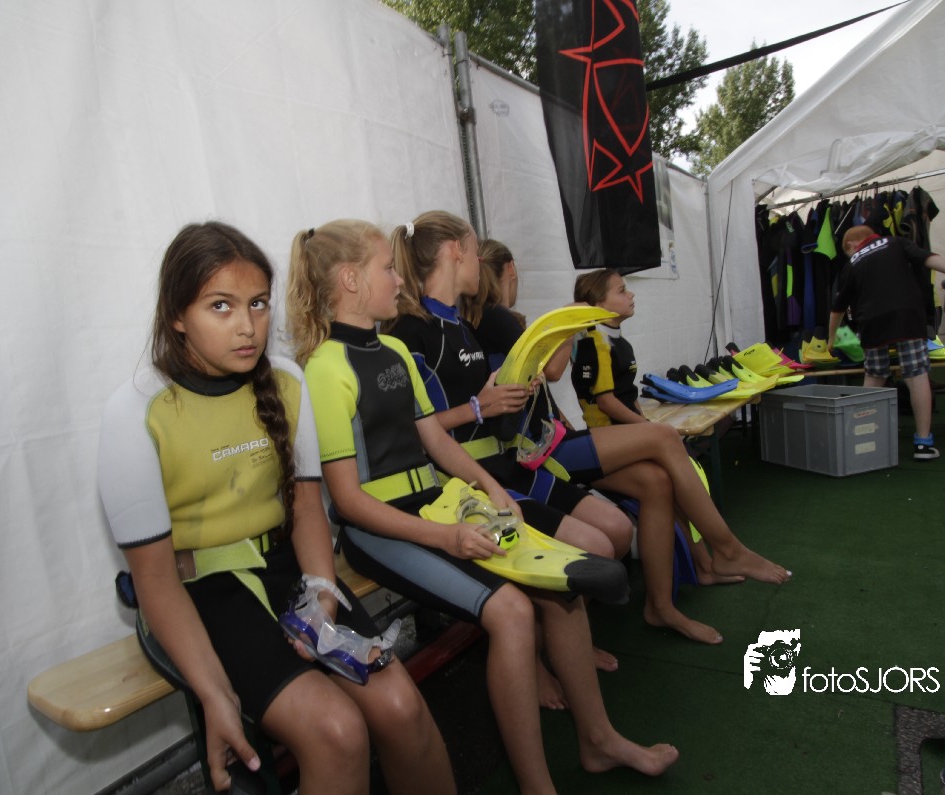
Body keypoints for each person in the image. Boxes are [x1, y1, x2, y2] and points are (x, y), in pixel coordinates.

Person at [287, 218, 679, 793]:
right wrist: (447, 536)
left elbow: (436, 441)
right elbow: (347, 500)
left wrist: (490, 489)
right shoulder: (324, 369)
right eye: (386, 269)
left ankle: (599, 740)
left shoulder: (393, 350)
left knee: (560, 579)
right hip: (379, 527)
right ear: (350, 280)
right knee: (512, 612)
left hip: (438, 501)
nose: (399, 279)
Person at [97, 222, 453, 795]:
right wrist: (215, 694)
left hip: (291, 571)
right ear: (177, 315)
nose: (247, 325)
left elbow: (307, 507)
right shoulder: (136, 412)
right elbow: (155, 579)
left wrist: (322, 594)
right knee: (337, 731)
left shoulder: (286, 380)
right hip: (201, 592)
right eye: (221, 306)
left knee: (401, 709)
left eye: (258, 303)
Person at [467, 246, 786, 646]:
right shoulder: (496, 318)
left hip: (546, 442)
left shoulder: (485, 321)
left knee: (656, 482)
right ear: (511, 269)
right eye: (621, 290)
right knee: (664, 437)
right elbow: (554, 372)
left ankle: (661, 606)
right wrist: (567, 321)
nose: (630, 295)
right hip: (541, 454)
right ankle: (726, 549)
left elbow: (534, 391)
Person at [828, 226, 945, 460]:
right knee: (916, 376)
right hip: (906, 315)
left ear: (851, 245)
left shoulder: (852, 263)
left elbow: (838, 308)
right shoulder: (895, 242)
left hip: (871, 322)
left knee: (874, 376)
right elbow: (928, 258)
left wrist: (831, 339)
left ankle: (864, 439)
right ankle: (923, 444)